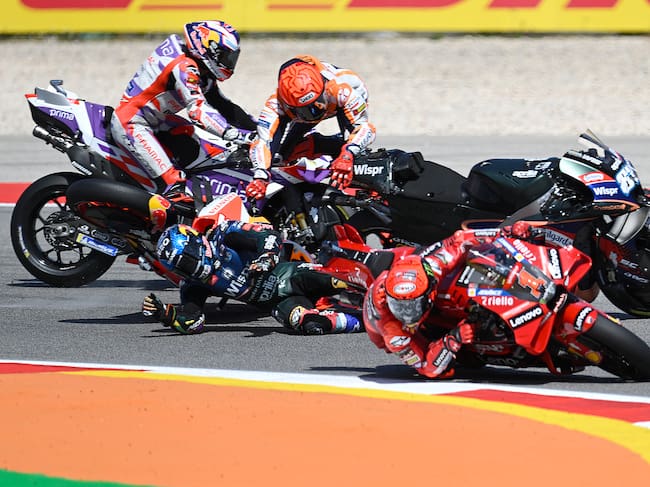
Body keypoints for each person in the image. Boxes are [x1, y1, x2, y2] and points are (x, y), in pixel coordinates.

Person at [363, 224, 535, 379]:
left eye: (412, 305)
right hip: (390, 329)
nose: (407, 313)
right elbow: (427, 368)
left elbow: (461, 238)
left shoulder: (434, 266)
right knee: (453, 365)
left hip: (407, 264)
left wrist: (505, 232)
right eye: (399, 307)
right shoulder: (393, 333)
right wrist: (454, 337)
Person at [141, 220, 362, 335]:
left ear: (196, 244)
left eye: (186, 263)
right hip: (279, 303)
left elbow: (269, 234)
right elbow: (193, 322)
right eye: (180, 270)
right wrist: (167, 315)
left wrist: (266, 257)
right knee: (307, 323)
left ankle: (374, 283)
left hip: (289, 275)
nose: (188, 272)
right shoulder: (193, 285)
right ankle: (366, 321)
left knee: (337, 280)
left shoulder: (225, 235)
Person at [111, 20, 257, 192]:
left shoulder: (202, 69)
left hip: (158, 121)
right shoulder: (185, 67)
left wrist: (260, 131)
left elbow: (223, 105)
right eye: (225, 56)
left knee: (212, 153)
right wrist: (238, 136)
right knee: (176, 186)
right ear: (209, 49)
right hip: (132, 123)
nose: (229, 63)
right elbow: (198, 111)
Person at [245, 54, 376, 200]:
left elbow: (366, 129)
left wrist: (347, 155)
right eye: (306, 109)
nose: (315, 111)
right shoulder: (275, 104)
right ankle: (311, 146)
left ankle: (366, 185)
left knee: (352, 148)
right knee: (281, 156)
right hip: (302, 113)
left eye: (318, 102)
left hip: (342, 101)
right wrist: (261, 176)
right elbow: (262, 141)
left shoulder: (341, 89)